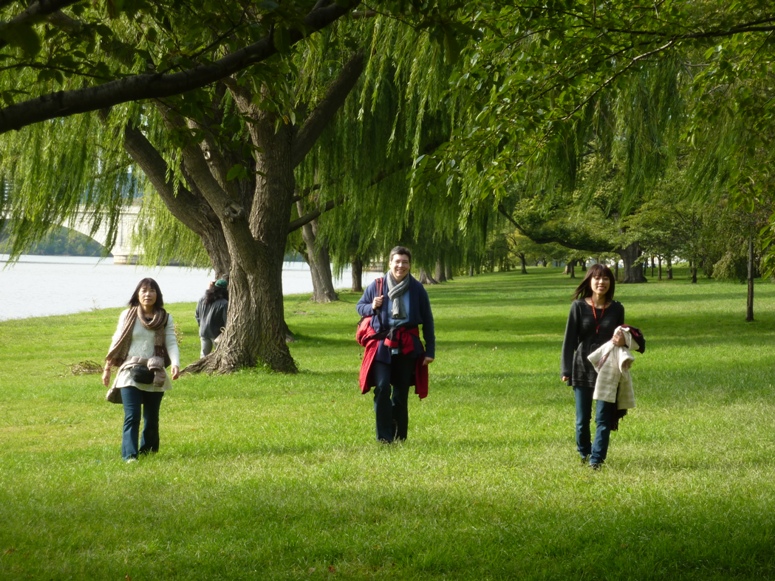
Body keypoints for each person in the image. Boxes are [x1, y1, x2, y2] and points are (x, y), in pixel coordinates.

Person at [356, 246, 435, 443]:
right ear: (390, 263)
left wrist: (430, 350)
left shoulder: (417, 289)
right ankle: (384, 437)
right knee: (382, 388)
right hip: (382, 344)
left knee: (401, 391)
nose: (401, 265)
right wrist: (371, 305)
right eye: (397, 261)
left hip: (407, 344)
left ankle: (399, 437)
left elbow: (428, 320)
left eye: (405, 262)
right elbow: (360, 307)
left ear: (409, 264)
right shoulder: (377, 285)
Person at [103, 278, 180, 462]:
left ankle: (148, 451)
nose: (148, 294)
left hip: (155, 371)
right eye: (144, 290)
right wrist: (107, 367)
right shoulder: (127, 315)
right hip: (130, 370)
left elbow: (171, 341)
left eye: (152, 290)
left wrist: (176, 363)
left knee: (151, 418)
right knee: (133, 415)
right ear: (138, 294)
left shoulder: (165, 318)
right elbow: (117, 340)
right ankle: (130, 455)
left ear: (157, 295)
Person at [560, 263, 625, 470]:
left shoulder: (617, 308)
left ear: (610, 283)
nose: (601, 282)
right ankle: (584, 453)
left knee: (603, 418)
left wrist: (622, 341)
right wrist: (566, 370)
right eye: (597, 278)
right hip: (582, 366)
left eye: (605, 278)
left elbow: (621, 336)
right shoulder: (578, 307)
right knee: (582, 419)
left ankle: (596, 460)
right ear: (589, 281)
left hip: (608, 367)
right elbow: (569, 340)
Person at [195, 277, 229, 357]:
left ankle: (202, 368)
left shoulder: (202, 299)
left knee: (204, 355)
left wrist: (201, 324)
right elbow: (226, 320)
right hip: (216, 333)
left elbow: (197, 315)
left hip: (203, 331)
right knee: (220, 354)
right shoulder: (224, 303)